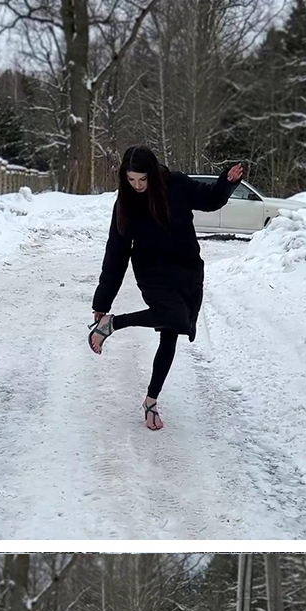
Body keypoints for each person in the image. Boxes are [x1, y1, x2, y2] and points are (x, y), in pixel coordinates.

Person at [87, 146, 249, 431]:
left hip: (187, 268)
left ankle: (151, 400)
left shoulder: (175, 183)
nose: (137, 186)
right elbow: (116, 253)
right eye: (131, 180)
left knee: (173, 331)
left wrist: (226, 183)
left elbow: (209, 199)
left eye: (142, 180)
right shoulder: (125, 204)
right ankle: (113, 324)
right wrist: (103, 300)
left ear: (153, 174)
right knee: (174, 318)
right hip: (153, 273)